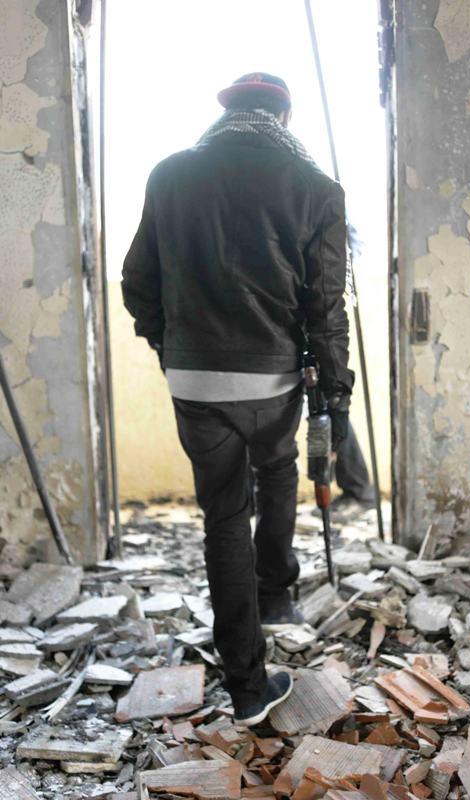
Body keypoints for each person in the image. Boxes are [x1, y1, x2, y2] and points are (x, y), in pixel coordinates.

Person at [122, 72, 353, 726]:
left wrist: (173, 349)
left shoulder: (171, 174)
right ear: (284, 115)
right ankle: (276, 591)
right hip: (272, 379)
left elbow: (137, 282)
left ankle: (247, 688)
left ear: (226, 113)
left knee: (223, 516)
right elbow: (325, 307)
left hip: (193, 378)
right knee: (277, 470)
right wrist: (335, 391)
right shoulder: (315, 187)